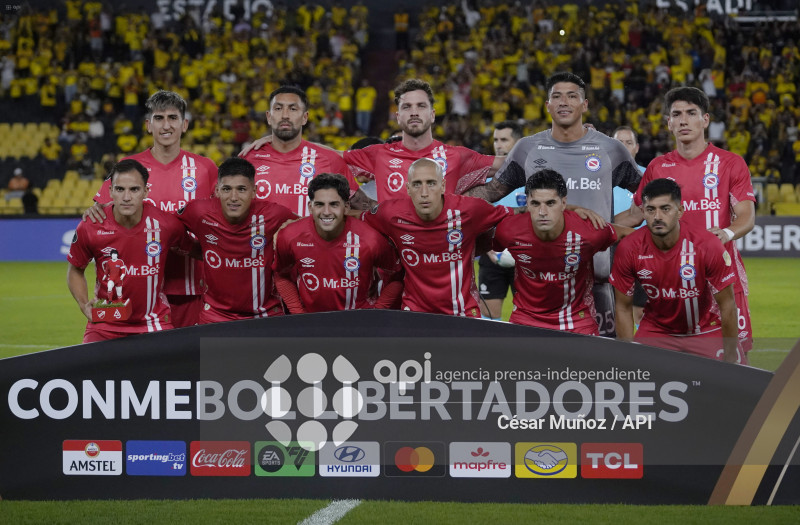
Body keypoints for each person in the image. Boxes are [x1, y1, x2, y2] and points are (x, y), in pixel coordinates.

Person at [465, 72, 643, 337]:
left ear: (584, 105)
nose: (564, 102)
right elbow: (492, 191)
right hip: (539, 288)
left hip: (598, 284)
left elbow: (648, 198)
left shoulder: (610, 149)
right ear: (547, 105)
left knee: (599, 369)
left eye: (572, 96)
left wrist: (609, 226)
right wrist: (451, 207)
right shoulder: (528, 148)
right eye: (556, 96)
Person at [617, 87, 756, 354]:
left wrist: (726, 234)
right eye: (676, 114)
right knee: (667, 366)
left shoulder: (730, 163)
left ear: (705, 120)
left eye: (691, 113)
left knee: (734, 365)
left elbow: (746, 216)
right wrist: (594, 222)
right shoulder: (658, 167)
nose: (683, 120)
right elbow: (635, 215)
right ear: (668, 123)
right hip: (671, 282)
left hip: (722, 278)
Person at [84, 90, 218, 328]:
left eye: (173, 118)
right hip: (137, 293)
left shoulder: (205, 168)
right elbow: (101, 215)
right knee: (146, 364)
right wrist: (92, 211)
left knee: (189, 361)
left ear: (184, 124)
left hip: (191, 287)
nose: (166, 125)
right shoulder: (129, 169)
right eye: (159, 118)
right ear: (148, 125)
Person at [610, 178, 742, 363]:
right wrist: (628, 356)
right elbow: (623, 308)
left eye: (665, 209)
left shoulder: (707, 245)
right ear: (643, 212)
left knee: (728, 387)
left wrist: (730, 358)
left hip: (705, 330)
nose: (657, 216)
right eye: (650, 209)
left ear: (680, 211)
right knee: (639, 383)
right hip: (656, 331)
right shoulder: (629, 248)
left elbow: (727, 305)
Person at [361, 158, 512, 317]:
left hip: (462, 314)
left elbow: (511, 216)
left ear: (443, 186)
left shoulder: (469, 209)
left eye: (431, 183)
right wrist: (372, 263)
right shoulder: (390, 213)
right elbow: (357, 224)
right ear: (408, 188)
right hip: (415, 314)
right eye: (417, 184)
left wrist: (492, 245)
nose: (424, 193)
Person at [494, 169, 632, 334]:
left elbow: (628, 235)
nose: (542, 212)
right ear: (527, 203)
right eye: (535, 204)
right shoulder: (509, 230)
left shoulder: (588, 231)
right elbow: (478, 242)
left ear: (564, 203)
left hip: (576, 320)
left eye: (551, 203)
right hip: (525, 319)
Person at [67, 160, 190, 342]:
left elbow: (197, 251)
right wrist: (84, 305)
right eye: (119, 189)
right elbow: (75, 270)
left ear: (146, 192)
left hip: (153, 323)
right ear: (110, 192)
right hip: (105, 323)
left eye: (134, 189)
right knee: (91, 370)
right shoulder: (91, 226)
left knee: (164, 370)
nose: (126, 197)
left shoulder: (166, 225)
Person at [176, 157, 297, 324]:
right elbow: (168, 228)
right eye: (226, 189)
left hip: (266, 314)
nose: (233, 197)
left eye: (241, 189)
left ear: (254, 191)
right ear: (217, 190)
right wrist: (195, 249)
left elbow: (309, 230)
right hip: (215, 316)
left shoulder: (275, 214)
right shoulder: (199, 211)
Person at [273, 173, 402, 313]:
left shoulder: (371, 239)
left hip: (359, 325)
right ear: (310, 207)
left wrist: (377, 310)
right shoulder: (290, 236)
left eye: (334, 204)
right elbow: (281, 275)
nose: (326, 212)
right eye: (319, 204)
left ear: (346, 207)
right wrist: (298, 313)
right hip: (311, 324)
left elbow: (397, 275)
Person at [241, 86, 360, 217]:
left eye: (293, 109)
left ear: (305, 117)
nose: (285, 115)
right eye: (278, 108)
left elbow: (362, 208)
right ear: (269, 117)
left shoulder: (330, 160)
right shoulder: (248, 159)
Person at [478, 120, 523, 320]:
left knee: (526, 313)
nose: (498, 144)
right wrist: (488, 249)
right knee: (488, 315)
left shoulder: (530, 175)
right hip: (491, 254)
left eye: (504, 139)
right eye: (496, 139)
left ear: (518, 142)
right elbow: (477, 217)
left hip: (524, 256)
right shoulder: (483, 177)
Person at [612, 125, 647, 326]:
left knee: (641, 310)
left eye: (628, 142)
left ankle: (642, 351)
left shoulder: (648, 175)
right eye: (619, 142)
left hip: (643, 250)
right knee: (615, 307)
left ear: (636, 148)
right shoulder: (599, 178)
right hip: (610, 251)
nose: (623, 147)